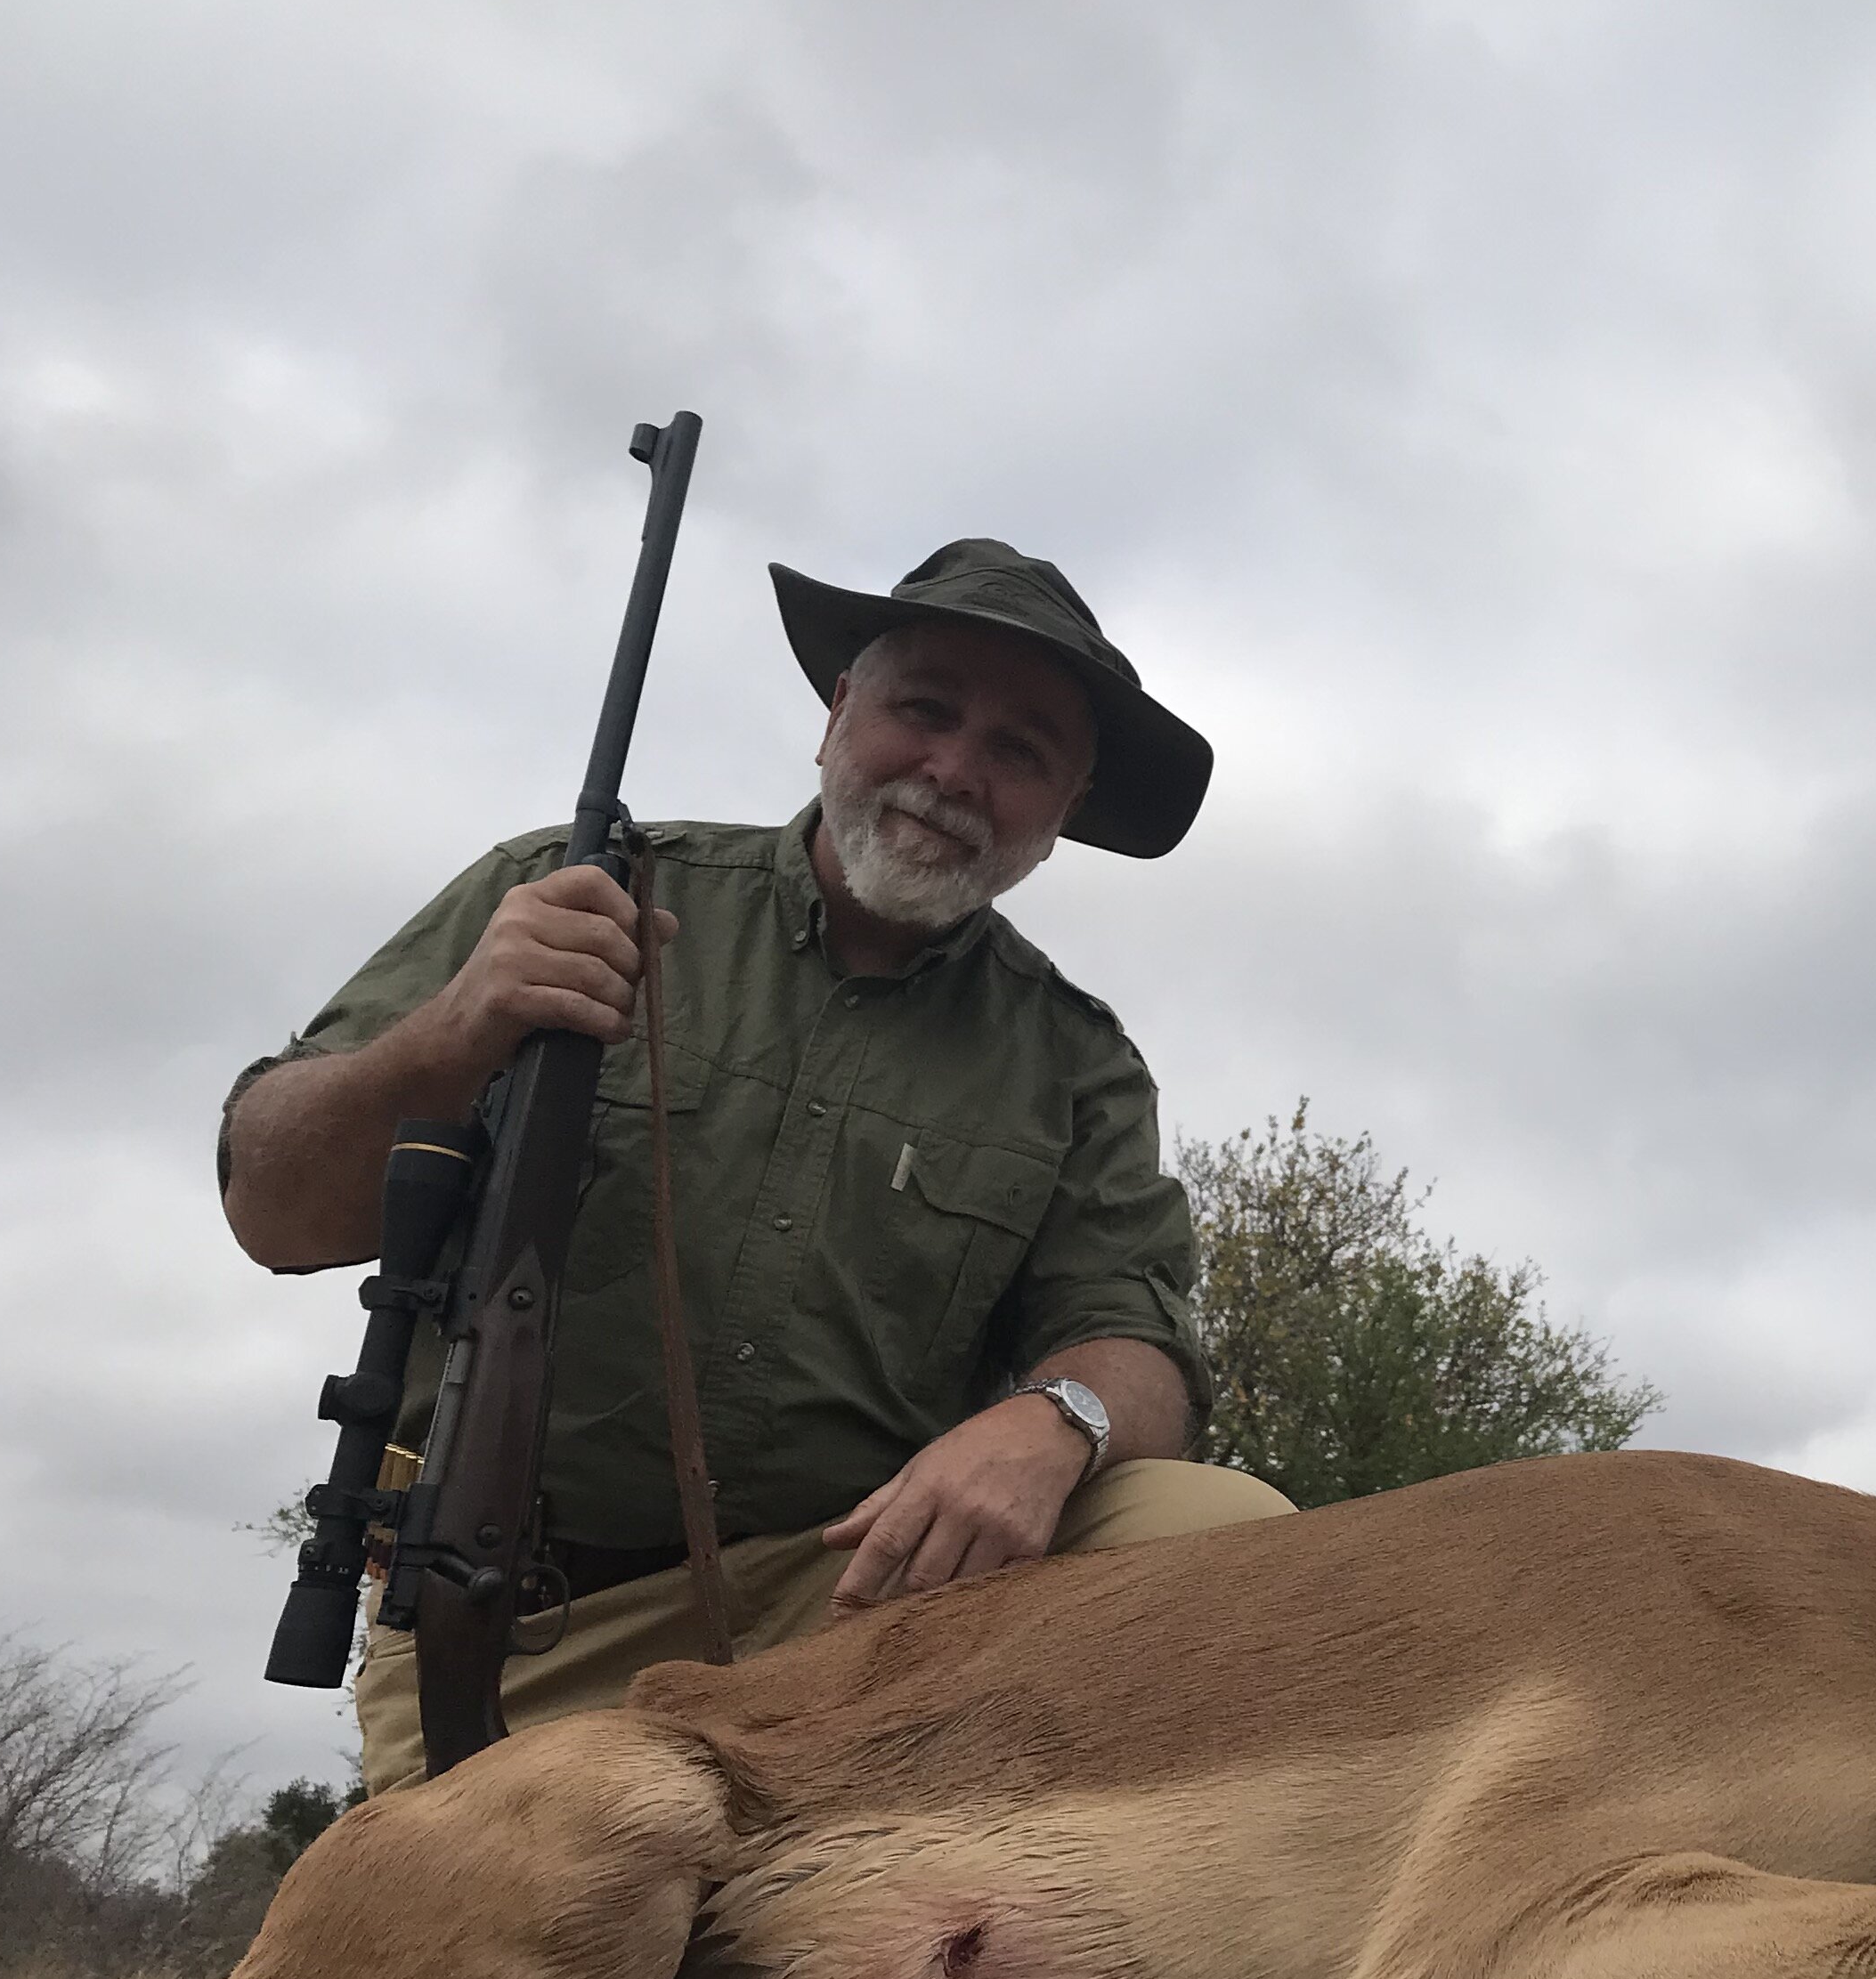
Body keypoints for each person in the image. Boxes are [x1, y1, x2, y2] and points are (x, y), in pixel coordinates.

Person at [220, 539, 1291, 1790]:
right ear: (838, 714)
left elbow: (1137, 1343)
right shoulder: (563, 895)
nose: (954, 771)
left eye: (1021, 751)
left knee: (1225, 1535)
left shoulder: (1079, 1064)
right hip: (512, 1607)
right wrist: (459, 1030)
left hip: (854, 1611)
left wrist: (1055, 1423)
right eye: (924, 709)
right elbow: (273, 1207)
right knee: (501, 1963)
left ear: (1061, 818)